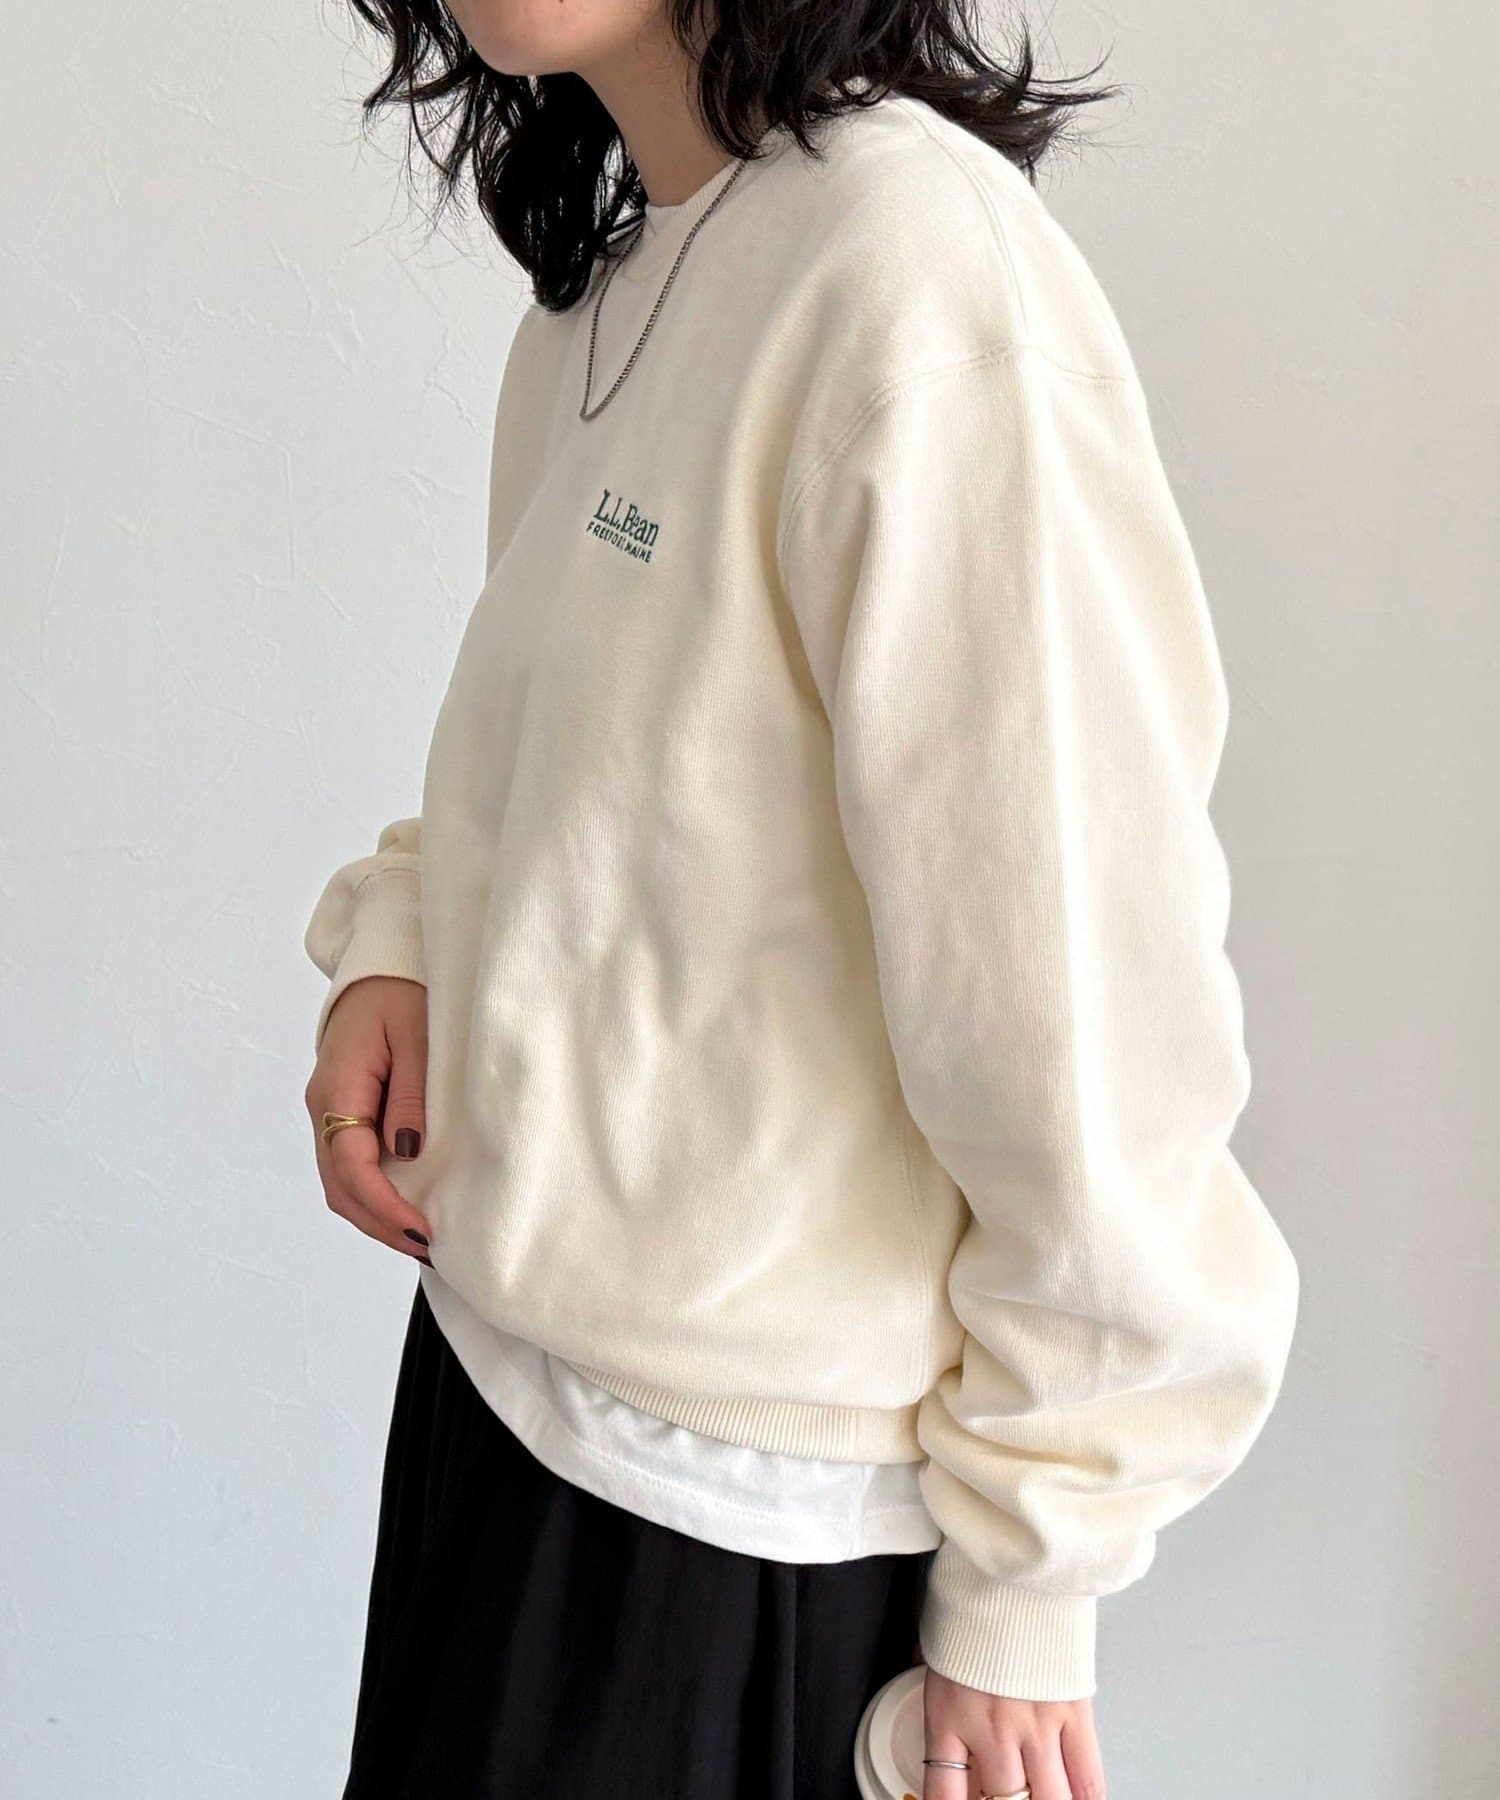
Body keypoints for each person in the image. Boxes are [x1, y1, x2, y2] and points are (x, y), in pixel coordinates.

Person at [301, 1, 1301, 1794]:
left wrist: (1031, 1576)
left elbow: (1078, 988)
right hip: (495, 1394)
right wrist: (414, 936)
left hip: (732, 1531)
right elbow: (592, 763)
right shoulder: (618, 279)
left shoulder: (921, 276)